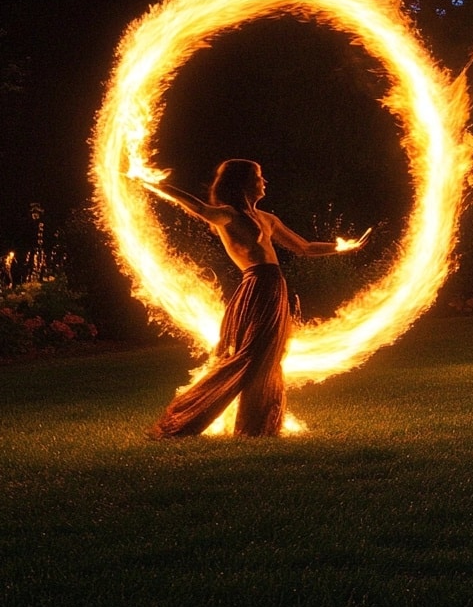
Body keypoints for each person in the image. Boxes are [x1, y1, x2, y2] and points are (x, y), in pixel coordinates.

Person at [141, 159, 367, 437]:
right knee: (250, 356)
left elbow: (305, 247)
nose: (265, 181)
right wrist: (156, 184)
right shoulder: (228, 215)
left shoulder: (268, 219)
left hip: (275, 286)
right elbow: (200, 209)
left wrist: (343, 247)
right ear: (244, 183)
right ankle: (184, 416)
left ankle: (257, 427)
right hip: (256, 286)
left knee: (268, 358)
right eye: (259, 176)